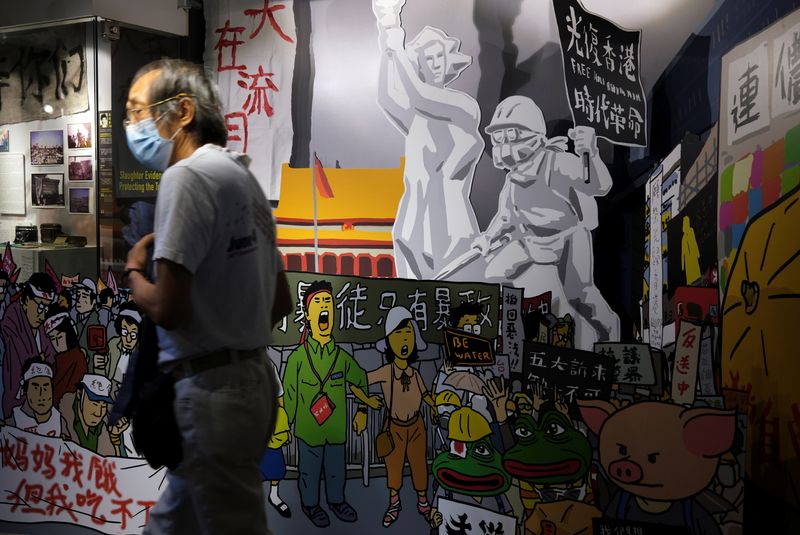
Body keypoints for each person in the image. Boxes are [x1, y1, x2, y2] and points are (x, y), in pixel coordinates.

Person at [122, 58, 292, 535]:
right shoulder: (244, 180)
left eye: (138, 111)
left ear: (182, 111)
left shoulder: (186, 177)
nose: (131, 125)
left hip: (212, 392)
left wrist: (135, 272)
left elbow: (170, 309)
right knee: (176, 522)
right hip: (253, 384)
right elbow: (280, 302)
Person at [373, 0, 482, 279]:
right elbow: (387, 97)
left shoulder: (463, 108)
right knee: (414, 305)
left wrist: (394, 30)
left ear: (449, 64)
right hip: (411, 223)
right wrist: (387, 33)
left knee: (454, 308)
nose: (432, 64)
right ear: (417, 64)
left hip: (451, 226)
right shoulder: (416, 118)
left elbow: (419, 96)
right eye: (426, 58)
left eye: (438, 57)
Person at [283, 280, 369, 528]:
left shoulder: (342, 358)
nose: (324, 308)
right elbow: (289, 394)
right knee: (308, 472)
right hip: (308, 432)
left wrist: (362, 410)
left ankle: (337, 501)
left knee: (336, 469)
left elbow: (361, 379)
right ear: (308, 316)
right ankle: (310, 505)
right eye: (318, 303)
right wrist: (285, 425)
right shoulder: (297, 358)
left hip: (336, 432)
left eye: (328, 303)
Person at [353, 306, 438, 528]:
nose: (404, 340)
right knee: (394, 466)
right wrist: (364, 406)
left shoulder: (415, 373)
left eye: (408, 333)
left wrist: (434, 405)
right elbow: (360, 381)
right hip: (395, 428)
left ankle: (422, 502)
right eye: (398, 334)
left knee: (420, 465)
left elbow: (425, 393)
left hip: (417, 425)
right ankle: (394, 503)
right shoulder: (386, 371)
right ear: (389, 341)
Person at [1, 272, 57, 418]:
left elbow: (50, 357)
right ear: (26, 300)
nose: (43, 315)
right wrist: (40, 359)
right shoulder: (12, 322)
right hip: (17, 407)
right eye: (40, 307)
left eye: (46, 309)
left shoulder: (40, 329)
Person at [59, 373, 128, 456]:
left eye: (103, 405)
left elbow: (113, 463)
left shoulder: (103, 426)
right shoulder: (61, 419)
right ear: (79, 394)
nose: (98, 413)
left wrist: (114, 437)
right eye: (94, 404)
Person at [7, 357, 69, 439]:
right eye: (35, 388)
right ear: (26, 391)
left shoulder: (59, 421)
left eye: (46, 388)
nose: (41, 395)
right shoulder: (15, 419)